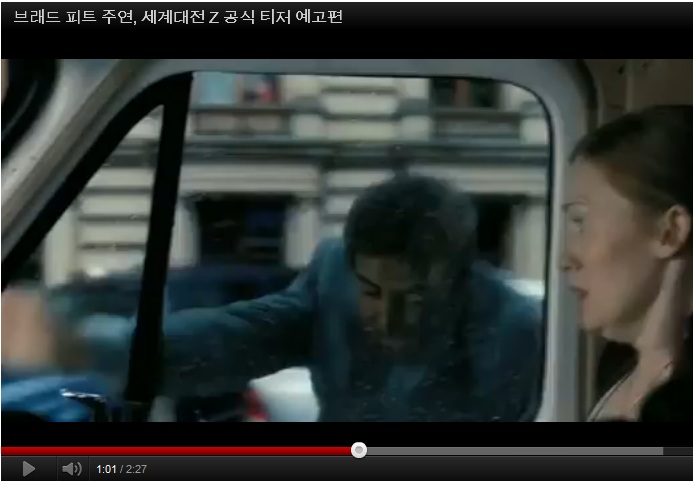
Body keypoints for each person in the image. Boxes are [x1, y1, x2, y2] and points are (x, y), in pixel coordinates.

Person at [4, 175, 542, 422]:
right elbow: (237, 338)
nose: (389, 316)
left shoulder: (518, 331)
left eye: (417, 297)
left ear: (462, 277)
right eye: (372, 291)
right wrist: (83, 345)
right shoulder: (333, 275)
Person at [561, 105, 693, 421]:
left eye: (581, 222)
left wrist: (658, 375)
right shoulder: (618, 361)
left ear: (670, 232)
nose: (564, 260)